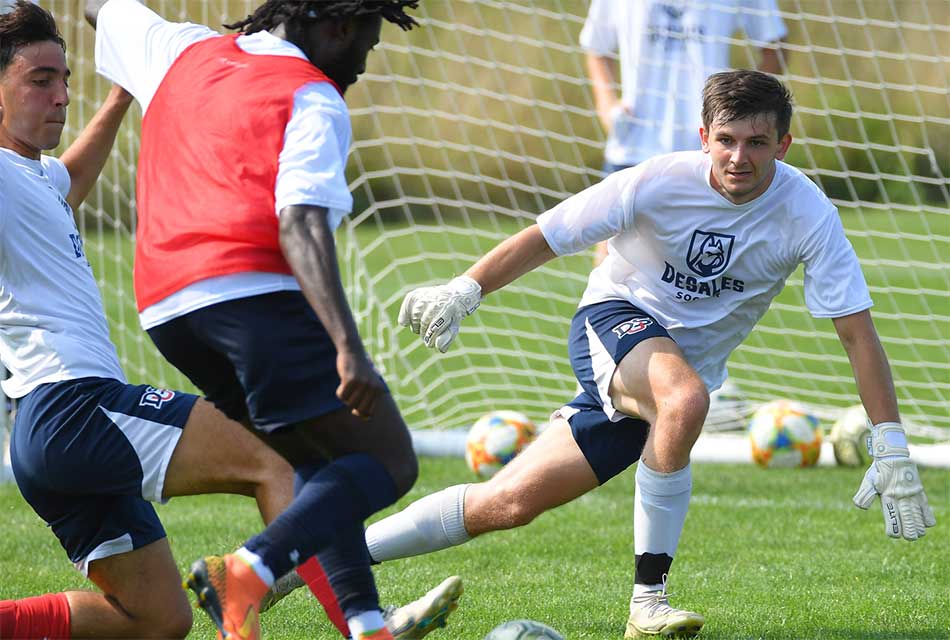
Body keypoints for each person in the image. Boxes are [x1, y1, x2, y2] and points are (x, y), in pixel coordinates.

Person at [365, 70, 937, 638]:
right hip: (613, 321)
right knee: (685, 399)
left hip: (666, 376)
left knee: (508, 504)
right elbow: (548, 235)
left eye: (757, 143)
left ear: (783, 145)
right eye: (727, 140)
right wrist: (465, 290)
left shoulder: (809, 214)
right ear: (704, 136)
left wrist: (890, 443)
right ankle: (648, 605)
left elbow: (857, 332)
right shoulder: (655, 181)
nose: (739, 157)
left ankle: (323, 558)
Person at [82, 1, 461, 639]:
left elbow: (100, 7)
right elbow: (301, 221)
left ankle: (366, 624)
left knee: (316, 455)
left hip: (167, 309)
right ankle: (248, 570)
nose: (362, 68)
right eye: (366, 45)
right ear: (337, 27)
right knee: (390, 459)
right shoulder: (312, 98)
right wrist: (348, 346)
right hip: (251, 297)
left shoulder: (177, 50)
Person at [0, 2, 295, 637]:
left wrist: (123, 93)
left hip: (43, 434)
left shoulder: (32, 175)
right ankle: (361, 622)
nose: (61, 96)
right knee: (276, 455)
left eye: (65, 78)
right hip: (74, 408)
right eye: (40, 80)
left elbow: (65, 182)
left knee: (155, 619)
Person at [583, 0, 787, 264]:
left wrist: (741, 115)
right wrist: (607, 104)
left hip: (710, 151)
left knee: (703, 269)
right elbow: (597, 46)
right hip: (635, 140)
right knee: (611, 264)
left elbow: (774, 45)